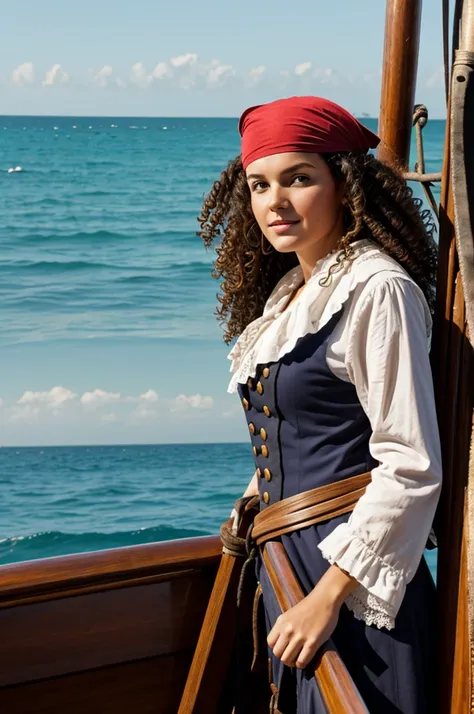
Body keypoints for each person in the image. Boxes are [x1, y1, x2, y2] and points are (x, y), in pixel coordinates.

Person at [198, 96, 442, 714]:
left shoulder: (378, 290)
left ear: (343, 183)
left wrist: (328, 597)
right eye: (259, 185)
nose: (274, 201)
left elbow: (411, 466)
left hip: (357, 588)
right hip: (289, 569)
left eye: (298, 178)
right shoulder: (290, 296)